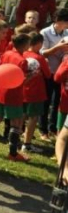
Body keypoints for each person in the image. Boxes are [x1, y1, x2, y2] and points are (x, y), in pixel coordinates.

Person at [0, 33, 31, 162]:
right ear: (25, 44)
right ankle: (13, 153)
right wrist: (32, 75)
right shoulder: (22, 61)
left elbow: (0, 68)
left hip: (0, 90)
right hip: (13, 94)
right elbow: (21, 81)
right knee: (16, 123)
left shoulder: (7, 53)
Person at [40, 8, 68, 140]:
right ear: (58, 21)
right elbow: (42, 53)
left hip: (61, 72)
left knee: (57, 101)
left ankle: (53, 128)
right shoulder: (45, 32)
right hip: (48, 71)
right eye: (65, 21)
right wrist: (58, 47)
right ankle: (43, 129)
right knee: (45, 101)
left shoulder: (67, 33)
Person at [22, 32, 50, 154]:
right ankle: (27, 144)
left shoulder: (22, 54)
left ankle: (16, 139)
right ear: (38, 44)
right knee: (33, 119)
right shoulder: (39, 58)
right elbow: (48, 74)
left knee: (21, 116)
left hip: (22, 90)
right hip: (36, 92)